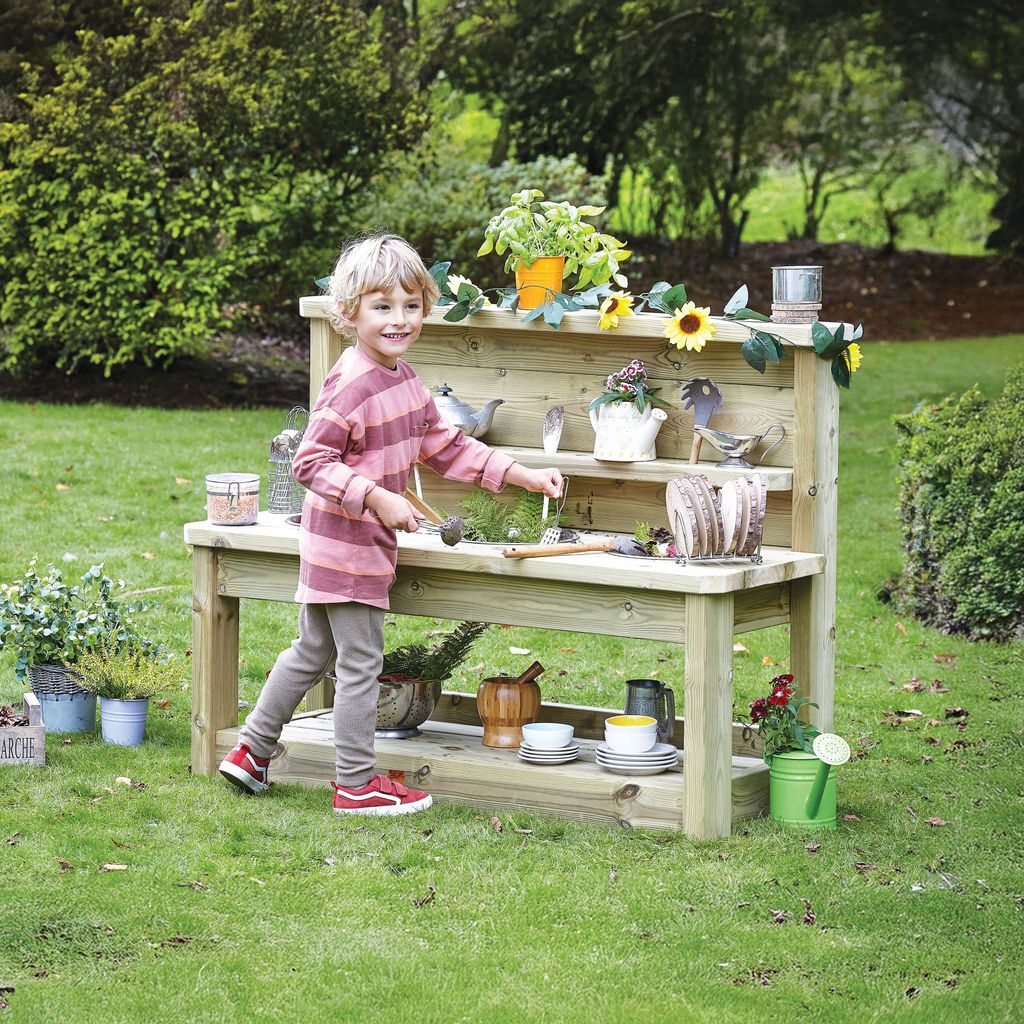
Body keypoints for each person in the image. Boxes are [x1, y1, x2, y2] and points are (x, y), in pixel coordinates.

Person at [218, 234, 562, 816]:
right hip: (349, 546)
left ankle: (251, 751)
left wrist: (521, 474)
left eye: (411, 305)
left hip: (337, 545)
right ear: (348, 313)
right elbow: (309, 462)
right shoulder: (353, 382)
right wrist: (377, 496)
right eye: (382, 306)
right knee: (360, 665)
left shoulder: (401, 379)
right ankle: (356, 784)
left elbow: (446, 445)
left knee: (311, 650)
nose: (399, 319)